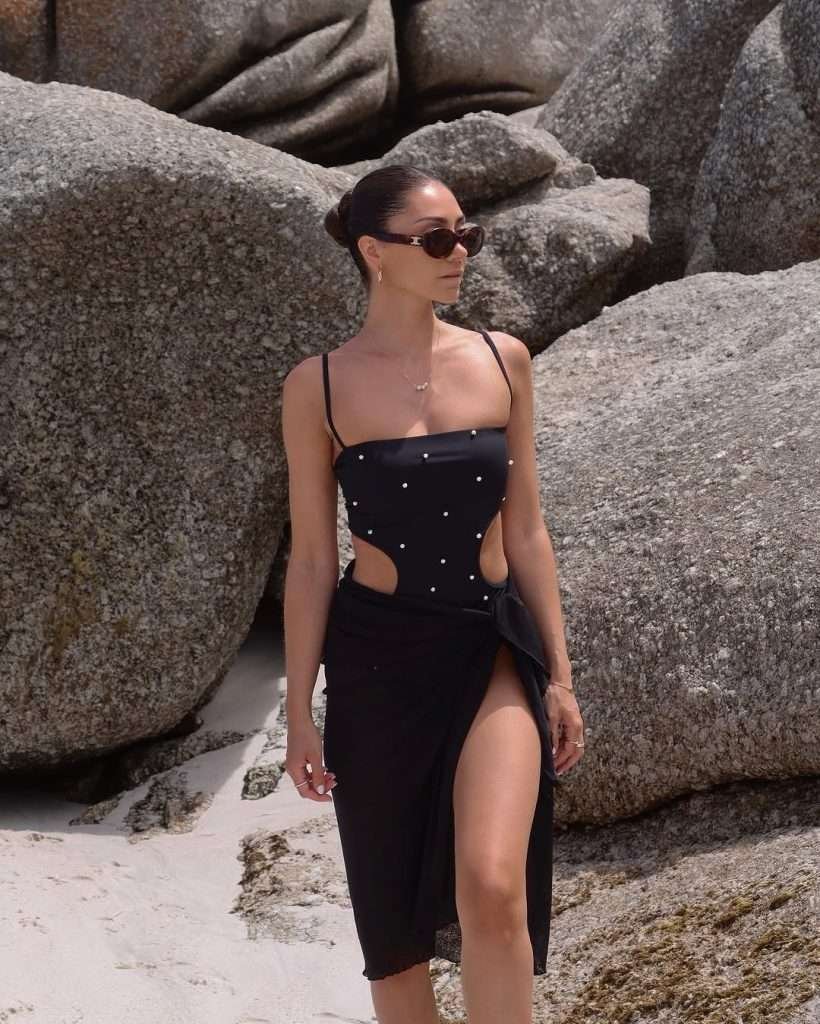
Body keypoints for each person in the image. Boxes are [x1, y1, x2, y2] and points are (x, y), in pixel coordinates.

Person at [280, 163, 584, 1024]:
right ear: (376, 253)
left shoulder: (502, 359)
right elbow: (310, 561)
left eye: (467, 234)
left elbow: (526, 530)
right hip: (376, 663)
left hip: (488, 643)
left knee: (492, 884)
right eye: (437, 238)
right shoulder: (320, 386)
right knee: (395, 933)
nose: (460, 252)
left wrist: (558, 674)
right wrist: (301, 711)